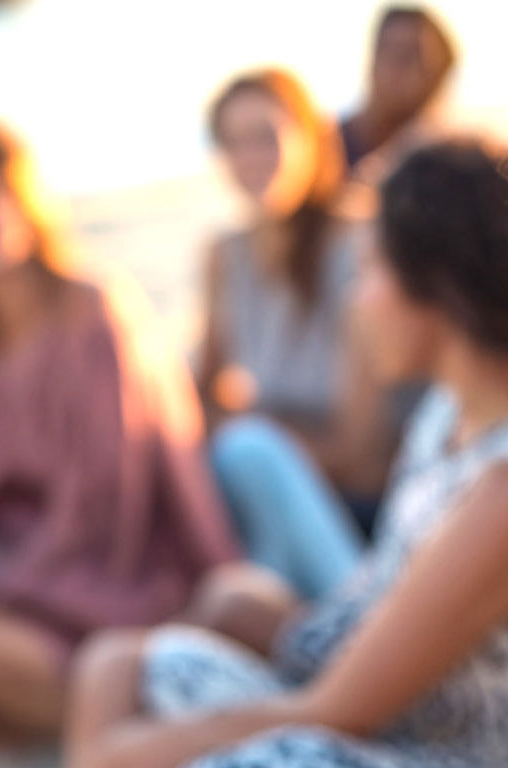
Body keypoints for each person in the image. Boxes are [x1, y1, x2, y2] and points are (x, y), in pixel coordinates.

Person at [62, 138, 508, 768]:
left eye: (370, 268)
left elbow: (337, 710)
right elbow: (368, 624)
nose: (355, 298)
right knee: (138, 668)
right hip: (425, 737)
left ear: (437, 286)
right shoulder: (448, 419)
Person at [0, 123, 237, 748]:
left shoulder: (92, 310)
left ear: (23, 202)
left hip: (113, 587)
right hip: (18, 569)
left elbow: (108, 507)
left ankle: (71, 712)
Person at [199, 69, 397, 597]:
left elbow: (363, 454)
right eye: (233, 142)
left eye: (266, 135)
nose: (251, 156)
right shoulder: (226, 255)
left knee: (244, 451)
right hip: (275, 494)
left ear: (312, 137)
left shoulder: (361, 241)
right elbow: (200, 398)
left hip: (366, 516)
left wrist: (257, 429)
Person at [338, 6, 456, 176]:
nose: (407, 71)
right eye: (397, 53)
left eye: (418, 59)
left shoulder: (441, 165)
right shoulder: (324, 151)